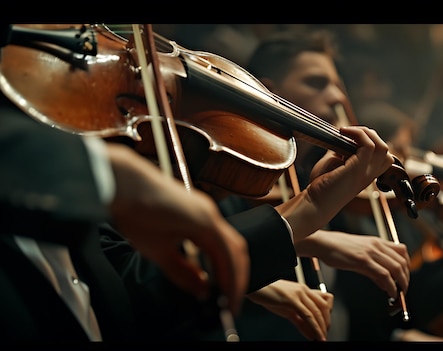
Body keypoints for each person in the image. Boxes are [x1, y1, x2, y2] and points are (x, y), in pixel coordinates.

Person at [0, 23, 396, 341]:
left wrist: (312, 207)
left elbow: (143, 294)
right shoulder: (101, 176)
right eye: (316, 82)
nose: (336, 98)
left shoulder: (84, 221)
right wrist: (105, 172)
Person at [243, 28, 443, 341]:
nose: (337, 97)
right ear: (271, 91)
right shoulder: (241, 181)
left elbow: (397, 306)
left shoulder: (328, 185)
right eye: (316, 83)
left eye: (338, 84)